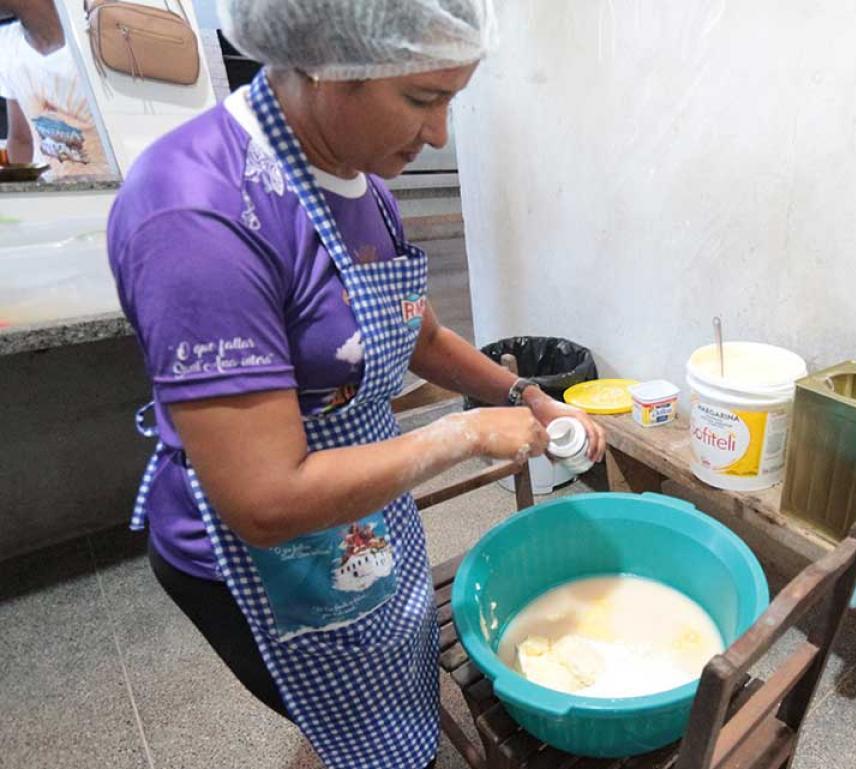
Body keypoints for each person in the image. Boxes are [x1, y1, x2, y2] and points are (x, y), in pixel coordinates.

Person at [105, 1, 605, 767]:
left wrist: (523, 393)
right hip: (267, 563)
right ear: (323, 62)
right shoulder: (196, 216)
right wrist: (464, 431)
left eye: (451, 100)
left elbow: (420, 335)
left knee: (393, 694)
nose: (439, 134)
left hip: (361, 510)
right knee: (358, 728)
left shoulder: (358, 179)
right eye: (422, 98)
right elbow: (266, 499)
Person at [0, 1, 115, 178]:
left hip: (119, 190)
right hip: (52, 193)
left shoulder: (100, 42)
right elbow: (21, 139)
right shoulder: (8, 45)